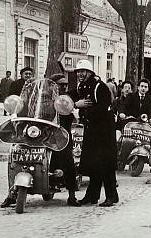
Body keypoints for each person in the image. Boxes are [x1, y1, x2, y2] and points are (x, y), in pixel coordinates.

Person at [71, 60, 118, 207]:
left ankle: (111, 196)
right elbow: (73, 98)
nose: (80, 74)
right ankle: (92, 196)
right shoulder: (83, 87)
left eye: (83, 71)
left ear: (90, 72)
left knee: (106, 164)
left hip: (104, 131)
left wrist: (82, 111)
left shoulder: (100, 86)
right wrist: (73, 104)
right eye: (78, 72)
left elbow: (104, 108)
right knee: (94, 165)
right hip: (92, 130)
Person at [49, 73, 81, 206]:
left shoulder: (68, 100)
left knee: (68, 164)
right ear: (52, 86)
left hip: (63, 136)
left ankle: (72, 195)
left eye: (65, 85)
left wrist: (75, 106)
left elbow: (74, 111)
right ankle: (13, 193)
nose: (63, 87)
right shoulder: (45, 99)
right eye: (60, 85)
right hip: (45, 135)